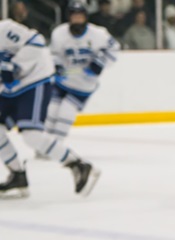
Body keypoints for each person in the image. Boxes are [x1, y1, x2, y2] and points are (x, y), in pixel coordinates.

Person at [1, 18, 101, 198]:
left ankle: (78, 164)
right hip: (8, 90)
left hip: (33, 81)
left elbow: (36, 42)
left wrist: (14, 66)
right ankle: (18, 175)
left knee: (32, 136)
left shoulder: (5, 28)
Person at [46, 1, 120, 141]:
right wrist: (57, 66)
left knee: (66, 113)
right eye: (75, 17)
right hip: (62, 81)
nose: (77, 20)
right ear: (69, 18)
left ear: (86, 17)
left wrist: (100, 63)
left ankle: (56, 146)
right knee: (51, 111)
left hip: (84, 85)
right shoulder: (59, 33)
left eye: (80, 17)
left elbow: (114, 48)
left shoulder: (98, 34)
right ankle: (43, 145)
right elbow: (53, 54)